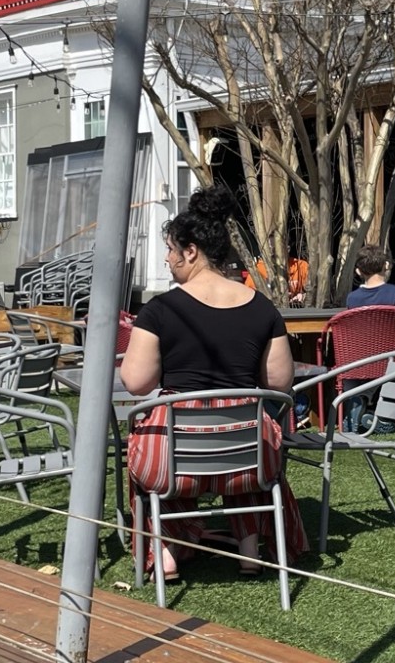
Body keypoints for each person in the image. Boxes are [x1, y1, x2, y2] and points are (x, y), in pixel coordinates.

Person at [120, 185, 306, 580]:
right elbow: (279, 383)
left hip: (172, 461)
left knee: (150, 437)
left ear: (191, 252)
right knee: (251, 431)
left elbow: (136, 382)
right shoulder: (263, 308)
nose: (167, 259)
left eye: (170, 250)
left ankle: (166, 552)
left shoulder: (160, 310)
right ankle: (250, 551)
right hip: (250, 458)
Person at [343, 244, 395, 432]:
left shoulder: (352, 298)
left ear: (358, 271)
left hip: (361, 361)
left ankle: (358, 405)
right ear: (386, 266)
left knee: (361, 374)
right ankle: (388, 420)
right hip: (394, 362)